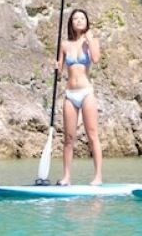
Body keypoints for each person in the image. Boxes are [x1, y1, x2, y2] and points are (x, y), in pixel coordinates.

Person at [57, 9, 103, 186]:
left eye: (82, 18)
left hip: (86, 92)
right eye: (75, 18)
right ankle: (66, 177)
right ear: (71, 22)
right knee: (68, 138)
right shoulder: (65, 44)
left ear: (87, 21)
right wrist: (55, 66)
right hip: (70, 94)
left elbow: (97, 59)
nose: (79, 20)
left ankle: (98, 176)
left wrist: (90, 40)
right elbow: (60, 69)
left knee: (92, 135)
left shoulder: (92, 41)